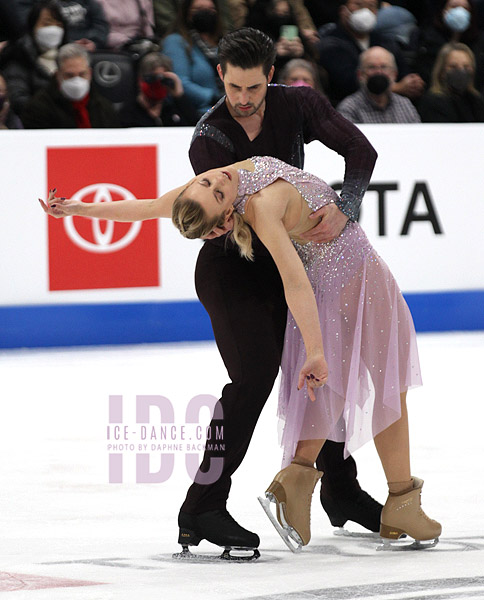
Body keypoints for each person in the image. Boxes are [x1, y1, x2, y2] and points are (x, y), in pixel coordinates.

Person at [40, 155, 442, 552]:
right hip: (354, 275)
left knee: (351, 387)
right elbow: (295, 283)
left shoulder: (209, 191)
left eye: (206, 183)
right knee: (391, 384)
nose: (216, 179)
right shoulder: (261, 207)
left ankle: (299, 482)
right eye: (216, 192)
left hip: (336, 281)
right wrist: (315, 350)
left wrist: (77, 208)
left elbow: (146, 207)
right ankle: (401, 500)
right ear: (226, 219)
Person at [178, 27, 382, 558]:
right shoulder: (209, 139)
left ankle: (342, 490)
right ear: (220, 74)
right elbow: (233, 223)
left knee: (322, 367)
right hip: (232, 271)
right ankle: (202, 504)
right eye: (233, 87)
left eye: (253, 87)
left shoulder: (300, 105)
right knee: (254, 379)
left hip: (287, 262)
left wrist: (348, 204)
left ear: (270, 76)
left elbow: (361, 151)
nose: (243, 100)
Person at [317, 0, 425, 106]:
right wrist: (397, 88)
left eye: (371, 6)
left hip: (391, 106)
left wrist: (413, 83)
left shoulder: (385, 42)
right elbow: (347, 83)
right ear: (343, 10)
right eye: (358, 5)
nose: (365, 11)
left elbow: (403, 71)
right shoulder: (330, 44)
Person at [21, 42, 118, 128]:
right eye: (69, 75)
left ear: (90, 73)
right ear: (57, 75)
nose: (77, 80)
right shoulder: (37, 109)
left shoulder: (103, 107)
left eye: (82, 74)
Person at [0, 0, 67, 117]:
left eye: (59, 25)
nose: (54, 29)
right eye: (47, 24)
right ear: (33, 26)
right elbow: (18, 101)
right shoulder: (18, 57)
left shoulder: (69, 59)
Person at [161, 0, 226, 116]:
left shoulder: (223, 43)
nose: (206, 13)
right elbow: (180, 82)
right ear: (186, 13)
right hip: (197, 113)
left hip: (229, 111)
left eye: (211, 9)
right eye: (199, 9)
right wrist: (213, 98)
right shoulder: (176, 42)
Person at [337, 46, 421, 122]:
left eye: (384, 67)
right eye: (371, 67)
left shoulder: (405, 105)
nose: (379, 72)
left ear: (394, 74)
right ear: (360, 74)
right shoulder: (349, 108)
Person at [414, 0, 484, 91]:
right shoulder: (427, 40)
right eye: (454, 7)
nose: (460, 11)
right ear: (443, 11)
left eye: (465, 8)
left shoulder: (480, 41)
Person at [119, 52, 199, 127]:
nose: (157, 84)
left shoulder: (173, 109)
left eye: (163, 80)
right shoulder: (129, 113)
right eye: (152, 78)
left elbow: (197, 128)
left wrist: (179, 96)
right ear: (140, 80)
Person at [418, 41, 484, 121]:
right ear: (442, 72)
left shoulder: (476, 101)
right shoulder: (433, 103)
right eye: (453, 67)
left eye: (466, 67)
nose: (461, 71)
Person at [15, 0, 109, 52]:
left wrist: (94, 42)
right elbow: (29, 24)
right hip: (51, 49)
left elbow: (101, 24)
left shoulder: (89, 2)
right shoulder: (38, 3)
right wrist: (69, 44)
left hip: (89, 50)